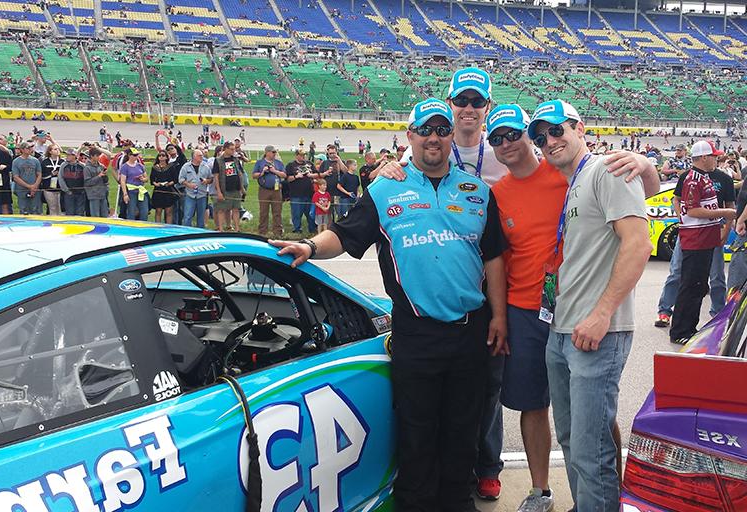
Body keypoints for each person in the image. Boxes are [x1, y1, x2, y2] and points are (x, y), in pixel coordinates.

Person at [270, 98, 507, 512]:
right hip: (416, 332)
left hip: (472, 329)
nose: (434, 138)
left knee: (463, 429)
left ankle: (455, 501)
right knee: (417, 429)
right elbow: (344, 235)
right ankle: (415, 503)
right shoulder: (384, 189)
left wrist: (500, 317)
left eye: (442, 130)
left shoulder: (478, 191)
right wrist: (309, 245)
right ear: (410, 136)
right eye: (426, 130)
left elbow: (494, 257)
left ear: (452, 136)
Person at [486, 104, 659, 512]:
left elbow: (638, 235)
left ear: (580, 128)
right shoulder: (571, 175)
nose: (550, 141)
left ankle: (605, 500)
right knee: (573, 436)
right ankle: (576, 499)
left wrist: (644, 161)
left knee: (590, 439)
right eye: (542, 135)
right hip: (553, 320)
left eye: (556, 131)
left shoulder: (601, 169)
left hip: (593, 325)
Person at [381, 67, 509, 499]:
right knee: (426, 417)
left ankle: (484, 469)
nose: (469, 109)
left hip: (482, 301)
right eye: (462, 102)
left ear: (486, 108)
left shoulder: (504, 147)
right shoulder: (410, 162)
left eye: (477, 102)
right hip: (422, 317)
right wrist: (386, 167)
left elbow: (557, 168)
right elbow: (388, 186)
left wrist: (640, 163)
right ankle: (423, 495)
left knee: (478, 402)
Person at [654, 145, 735, 327]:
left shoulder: (723, 178)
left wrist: (726, 229)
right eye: (713, 156)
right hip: (692, 232)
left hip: (713, 230)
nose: (716, 159)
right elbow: (679, 200)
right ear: (704, 158)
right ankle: (664, 311)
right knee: (677, 273)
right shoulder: (690, 177)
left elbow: (730, 206)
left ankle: (717, 316)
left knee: (716, 277)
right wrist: (682, 219)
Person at [252, 145, 286, 237]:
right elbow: (254, 175)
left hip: (276, 190)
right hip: (264, 190)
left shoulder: (278, 163)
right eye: (273, 152)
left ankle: (278, 231)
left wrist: (274, 171)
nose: (275, 154)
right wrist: (262, 172)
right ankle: (262, 231)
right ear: (267, 152)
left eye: (275, 152)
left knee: (277, 212)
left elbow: (284, 175)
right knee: (263, 212)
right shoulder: (260, 163)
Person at [213, 141, 245, 232]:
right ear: (225, 149)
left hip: (236, 188)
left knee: (236, 208)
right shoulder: (218, 160)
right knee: (221, 209)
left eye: (234, 149)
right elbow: (216, 177)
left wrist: (242, 188)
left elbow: (240, 173)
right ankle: (221, 229)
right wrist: (218, 191)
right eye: (231, 149)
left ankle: (237, 228)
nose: (233, 151)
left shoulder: (235, 159)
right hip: (224, 189)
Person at [285, 149, 318, 233]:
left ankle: (312, 228)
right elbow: (288, 179)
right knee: (296, 213)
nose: (303, 157)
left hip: (309, 193)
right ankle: (297, 229)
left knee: (310, 213)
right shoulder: (291, 165)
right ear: (296, 155)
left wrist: (311, 175)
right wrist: (296, 176)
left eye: (304, 155)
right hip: (296, 194)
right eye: (301, 155)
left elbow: (317, 174)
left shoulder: (309, 164)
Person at [178, 149, 212, 228]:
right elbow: (181, 179)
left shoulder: (206, 166)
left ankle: (199, 233)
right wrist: (188, 184)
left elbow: (211, 179)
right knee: (188, 215)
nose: (201, 157)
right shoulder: (186, 167)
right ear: (194, 157)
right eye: (199, 155)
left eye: (202, 155)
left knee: (201, 217)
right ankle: (187, 232)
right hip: (190, 195)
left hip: (202, 195)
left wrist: (206, 181)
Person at [12, 142, 43, 215]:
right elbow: (16, 177)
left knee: (35, 209)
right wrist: (29, 186)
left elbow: (39, 174)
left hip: (35, 188)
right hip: (22, 189)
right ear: (22, 150)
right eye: (27, 148)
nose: (30, 149)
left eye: (30, 148)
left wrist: (35, 186)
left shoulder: (35, 160)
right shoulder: (16, 161)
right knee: (24, 209)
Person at [119, 147, 149, 221]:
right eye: (134, 155)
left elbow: (146, 178)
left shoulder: (140, 166)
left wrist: (143, 179)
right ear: (129, 155)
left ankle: (143, 226)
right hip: (131, 191)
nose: (136, 157)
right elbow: (123, 181)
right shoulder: (125, 167)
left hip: (140, 190)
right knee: (131, 212)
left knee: (144, 211)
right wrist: (125, 194)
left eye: (137, 155)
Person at [150, 149, 176, 223]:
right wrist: (156, 184)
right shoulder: (155, 168)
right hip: (158, 191)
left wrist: (168, 184)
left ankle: (168, 227)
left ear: (166, 157)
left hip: (168, 191)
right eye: (160, 155)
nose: (161, 157)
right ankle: (157, 226)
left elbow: (175, 179)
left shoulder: (171, 167)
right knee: (158, 211)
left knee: (169, 211)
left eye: (163, 155)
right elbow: (152, 180)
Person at [84, 147, 110, 217]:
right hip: (93, 195)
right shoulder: (87, 168)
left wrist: (105, 175)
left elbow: (106, 181)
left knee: (105, 215)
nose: (99, 157)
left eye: (99, 155)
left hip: (102, 194)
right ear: (92, 156)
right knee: (95, 216)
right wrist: (98, 176)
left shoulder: (101, 166)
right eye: (97, 156)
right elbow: (87, 183)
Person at [59, 148, 87, 216]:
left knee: (80, 212)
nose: (67, 156)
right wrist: (67, 190)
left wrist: (83, 190)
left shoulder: (82, 166)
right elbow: (60, 178)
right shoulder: (63, 165)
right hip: (68, 193)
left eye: (69, 155)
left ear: (74, 156)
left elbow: (86, 178)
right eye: (67, 155)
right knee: (69, 212)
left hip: (80, 193)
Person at [40, 145, 63, 216]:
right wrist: (51, 174)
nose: (57, 150)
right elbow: (41, 175)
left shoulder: (62, 162)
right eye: (55, 149)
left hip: (60, 188)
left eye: (58, 149)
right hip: (48, 189)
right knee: (52, 208)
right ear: (50, 151)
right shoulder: (44, 162)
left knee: (60, 208)